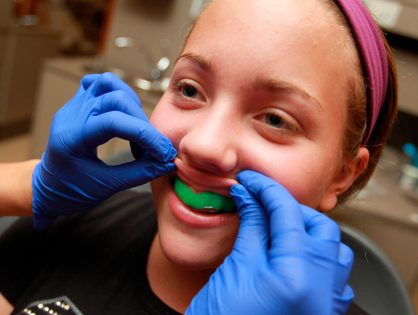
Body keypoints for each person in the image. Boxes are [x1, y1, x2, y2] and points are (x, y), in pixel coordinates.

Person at [0, 0, 398, 314]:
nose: (202, 144)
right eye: (190, 90)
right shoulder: (77, 226)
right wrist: (24, 187)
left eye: (276, 119)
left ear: (342, 175)